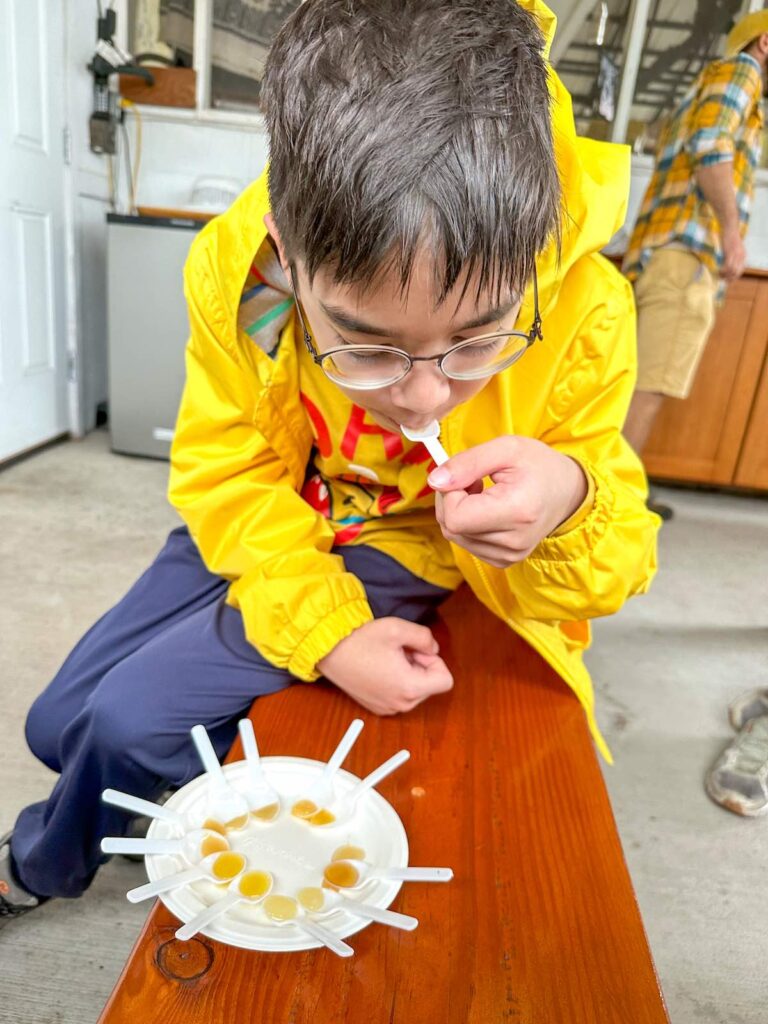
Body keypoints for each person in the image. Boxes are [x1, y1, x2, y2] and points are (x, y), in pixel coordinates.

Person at [0, 0, 659, 922]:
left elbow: (618, 557)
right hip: (268, 508)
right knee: (53, 722)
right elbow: (222, 462)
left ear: (533, 245)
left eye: (478, 339)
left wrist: (570, 499)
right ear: (286, 245)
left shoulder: (587, 307)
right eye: (365, 345)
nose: (425, 398)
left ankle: (39, 865)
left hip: (402, 541)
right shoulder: (237, 270)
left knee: (120, 724)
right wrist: (327, 634)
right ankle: (137, 803)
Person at [622, 11, 768, 518]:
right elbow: (711, 147)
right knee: (651, 385)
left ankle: (615, 489)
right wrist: (731, 232)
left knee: (635, 382)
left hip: (661, 255)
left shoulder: (705, 84)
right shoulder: (742, 72)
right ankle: (614, 502)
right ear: (766, 42)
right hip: (688, 257)